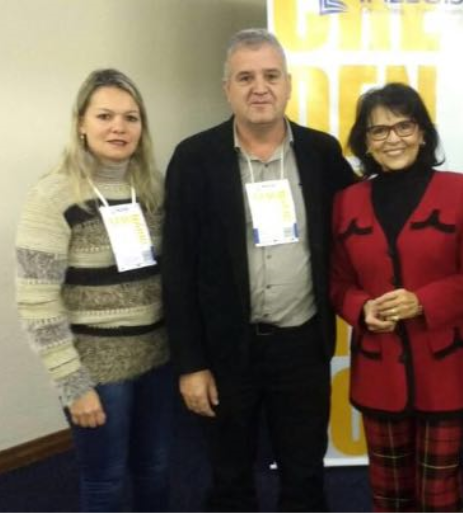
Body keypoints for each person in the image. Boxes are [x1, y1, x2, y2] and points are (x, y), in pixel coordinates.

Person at [162, 28, 355, 512]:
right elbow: (178, 269)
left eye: (270, 75)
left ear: (289, 84)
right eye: (245, 77)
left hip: (300, 344)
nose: (259, 87)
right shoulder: (193, 158)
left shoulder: (321, 153)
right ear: (226, 88)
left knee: (304, 473)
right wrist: (190, 364)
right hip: (226, 349)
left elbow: (365, 222)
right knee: (228, 477)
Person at [330, 83, 463, 512]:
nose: (393, 138)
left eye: (404, 125)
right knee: (389, 495)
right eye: (379, 130)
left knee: (439, 497)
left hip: (449, 370)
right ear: (365, 142)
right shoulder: (346, 202)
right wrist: (360, 309)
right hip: (378, 368)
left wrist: (425, 301)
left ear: (422, 133)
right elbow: (337, 283)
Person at [15, 69, 171, 513]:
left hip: (157, 360)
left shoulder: (152, 190)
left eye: (131, 117)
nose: (118, 127)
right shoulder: (52, 196)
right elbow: (36, 302)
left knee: (156, 469)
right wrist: (72, 384)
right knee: (104, 481)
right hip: (97, 371)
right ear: (81, 123)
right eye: (105, 116)